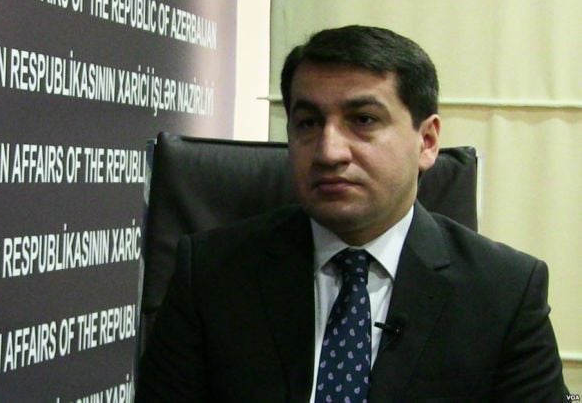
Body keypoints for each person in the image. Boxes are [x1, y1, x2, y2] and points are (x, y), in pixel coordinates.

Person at [138, 25, 567, 402]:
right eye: (308, 123)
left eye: (363, 120)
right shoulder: (211, 274)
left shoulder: (504, 293)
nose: (329, 152)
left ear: (427, 141)